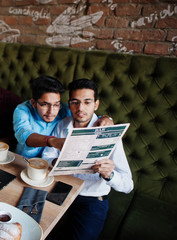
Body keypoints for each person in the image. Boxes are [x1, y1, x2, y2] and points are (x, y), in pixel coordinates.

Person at [42, 79, 133, 240]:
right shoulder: (62, 125)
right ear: (69, 104)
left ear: (96, 104)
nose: (80, 108)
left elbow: (128, 185)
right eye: (75, 102)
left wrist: (109, 175)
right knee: (38, 229)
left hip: (92, 197)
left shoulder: (109, 133)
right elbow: (47, 156)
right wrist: (56, 162)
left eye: (87, 102)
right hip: (62, 188)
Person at [13, 76, 114, 159]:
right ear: (33, 103)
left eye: (56, 104)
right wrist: (53, 141)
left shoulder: (65, 109)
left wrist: (106, 118)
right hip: (23, 162)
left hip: (49, 167)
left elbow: (83, 115)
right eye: (44, 104)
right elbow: (24, 134)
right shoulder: (22, 110)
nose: (51, 111)